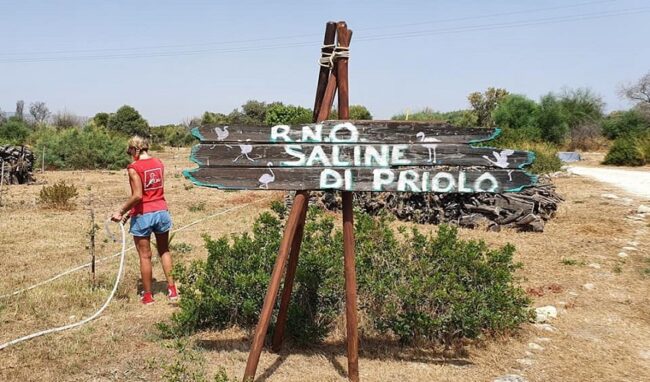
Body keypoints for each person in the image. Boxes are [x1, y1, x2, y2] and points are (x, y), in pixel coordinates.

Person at [111, 136, 178, 305]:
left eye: (130, 151)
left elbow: (138, 195)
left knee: (145, 256)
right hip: (161, 211)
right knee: (164, 250)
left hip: (144, 216)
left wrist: (120, 211)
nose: (130, 154)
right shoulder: (159, 163)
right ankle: (172, 290)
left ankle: (148, 296)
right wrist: (129, 214)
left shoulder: (134, 167)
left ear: (135, 149)